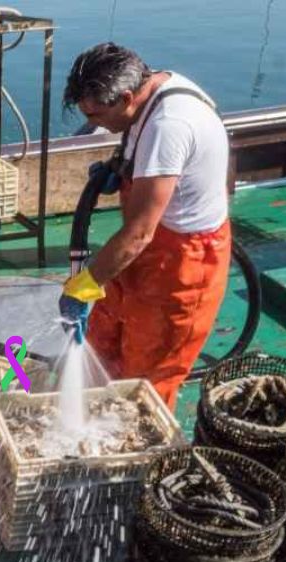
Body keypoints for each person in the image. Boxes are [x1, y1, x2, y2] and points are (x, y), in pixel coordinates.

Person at [59, 43, 231, 411]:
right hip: (148, 246)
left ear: (125, 97)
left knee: (147, 375)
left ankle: (134, 458)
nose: (94, 124)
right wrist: (121, 167)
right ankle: (91, 415)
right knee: (102, 335)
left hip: (185, 261)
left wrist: (84, 285)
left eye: (98, 115)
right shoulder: (152, 88)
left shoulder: (170, 125)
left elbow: (137, 234)